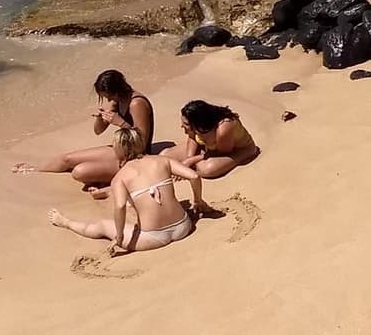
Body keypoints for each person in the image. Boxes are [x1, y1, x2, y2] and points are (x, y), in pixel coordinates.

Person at [48, 126, 205, 255]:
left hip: (153, 237)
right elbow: (193, 176)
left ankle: (65, 222)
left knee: (103, 225)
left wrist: (119, 235)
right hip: (183, 227)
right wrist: (198, 201)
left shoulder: (120, 177)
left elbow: (120, 206)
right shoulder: (162, 161)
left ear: (118, 150)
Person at [13, 69, 155, 190]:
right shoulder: (117, 100)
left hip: (136, 156)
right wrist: (100, 119)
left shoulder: (136, 103)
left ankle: (112, 179)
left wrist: (121, 123)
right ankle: (36, 169)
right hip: (121, 149)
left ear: (116, 91)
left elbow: (142, 142)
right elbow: (98, 131)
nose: (107, 99)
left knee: (79, 172)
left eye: (107, 95)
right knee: (66, 159)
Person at [173, 100, 260, 177]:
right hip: (208, 149)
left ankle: (243, 157)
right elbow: (192, 137)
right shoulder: (197, 125)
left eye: (186, 124)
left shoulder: (223, 128)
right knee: (165, 154)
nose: (182, 126)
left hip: (234, 151)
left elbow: (222, 152)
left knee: (205, 169)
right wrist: (188, 158)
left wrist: (192, 160)